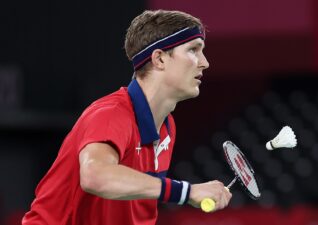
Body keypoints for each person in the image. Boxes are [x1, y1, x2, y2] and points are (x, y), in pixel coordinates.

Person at [22, 9, 232, 225]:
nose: (204, 62)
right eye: (193, 50)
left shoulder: (167, 127)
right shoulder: (111, 114)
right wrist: (186, 192)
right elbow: (96, 176)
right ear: (159, 59)